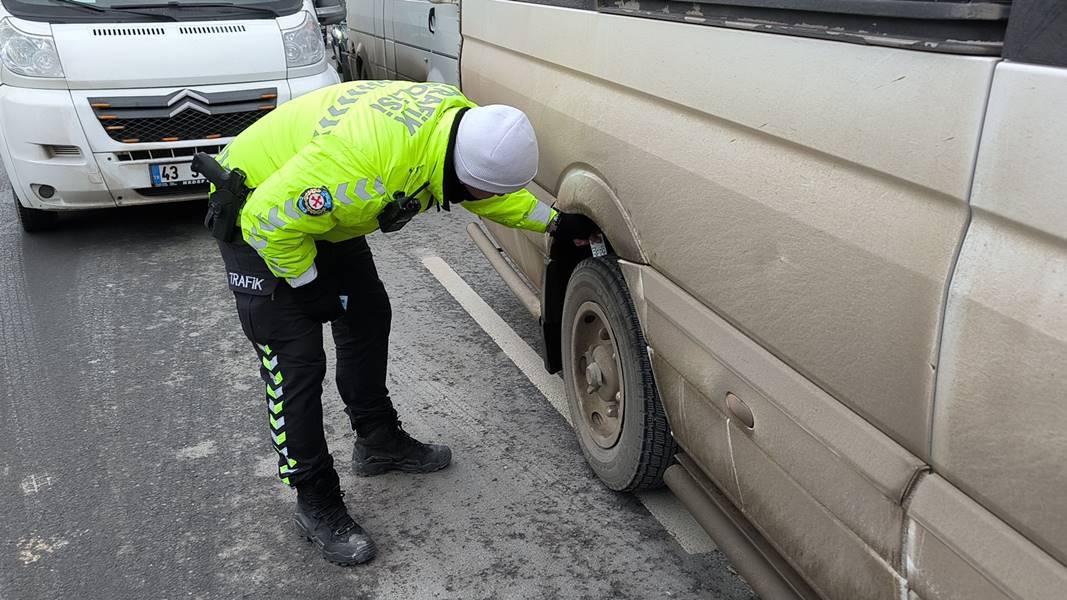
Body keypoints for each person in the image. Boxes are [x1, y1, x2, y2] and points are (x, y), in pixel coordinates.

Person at [214, 80, 596, 566]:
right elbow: (268, 219)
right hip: (256, 207)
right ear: (466, 172)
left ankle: (377, 442)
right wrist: (309, 286)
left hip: (315, 202)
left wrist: (553, 222)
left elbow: (476, 189)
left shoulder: (461, 125)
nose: (494, 195)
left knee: (367, 313)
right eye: (491, 188)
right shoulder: (366, 176)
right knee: (294, 361)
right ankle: (315, 499)